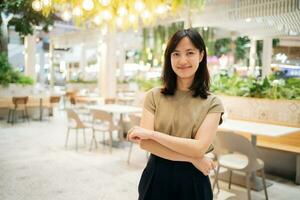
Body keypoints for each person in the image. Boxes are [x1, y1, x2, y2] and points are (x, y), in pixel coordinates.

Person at [127, 28, 224, 200]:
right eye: (176, 54)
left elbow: (199, 148)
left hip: (193, 182)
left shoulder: (212, 103)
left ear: (201, 56)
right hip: (156, 178)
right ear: (169, 58)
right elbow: (146, 145)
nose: (183, 60)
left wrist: (151, 134)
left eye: (190, 53)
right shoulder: (154, 96)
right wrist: (193, 159)